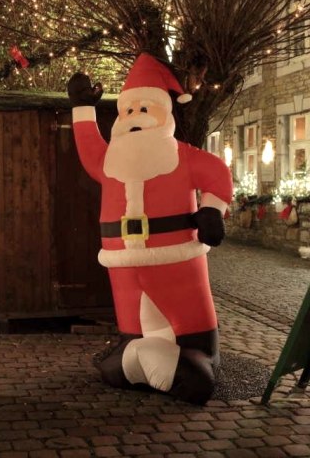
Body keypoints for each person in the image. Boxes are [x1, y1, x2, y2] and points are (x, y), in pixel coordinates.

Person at [68, 53, 233, 405]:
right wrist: (82, 108)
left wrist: (211, 211)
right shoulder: (110, 158)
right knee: (132, 317)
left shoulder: (181, 156)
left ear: (165, 113)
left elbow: (217, 174)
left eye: (145, 109)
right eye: (128, 110)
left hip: (178, 259)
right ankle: (134, 346)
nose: (134, 117)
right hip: (123, 261)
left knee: (187, 316)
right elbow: (87, 147)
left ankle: (195, 354)